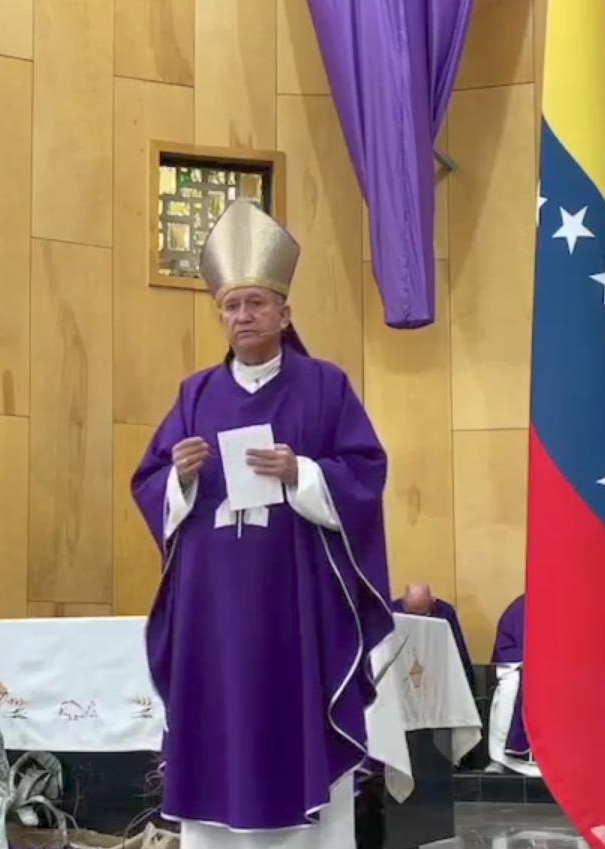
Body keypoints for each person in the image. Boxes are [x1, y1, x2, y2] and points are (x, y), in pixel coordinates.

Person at [131, 201, 395, 849]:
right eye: (231, 306)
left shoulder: (324, 386)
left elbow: (365, 471)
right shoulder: (195, 393)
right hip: (212, 609)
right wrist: (180, 477)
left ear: (284, 312)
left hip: (296, 601)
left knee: (295, 717)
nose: (242, 316)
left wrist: (302, 472)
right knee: (214, 719)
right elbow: (149, 481)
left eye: (255, 303)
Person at [485, 593, 539, 776]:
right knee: (509, 689)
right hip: (521, 668)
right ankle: (499, 759)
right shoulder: (519, 608)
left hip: (558, 672)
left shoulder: (567, 603)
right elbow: (505, 646)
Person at [391, 582, 474, 687]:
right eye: (411, 614)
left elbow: (458, 651)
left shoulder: (445, 613)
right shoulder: (390, 612)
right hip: (402, 670)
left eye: (423, 614)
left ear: (432, 601)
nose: (417, 619)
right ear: (403, 602)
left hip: (436, 674)